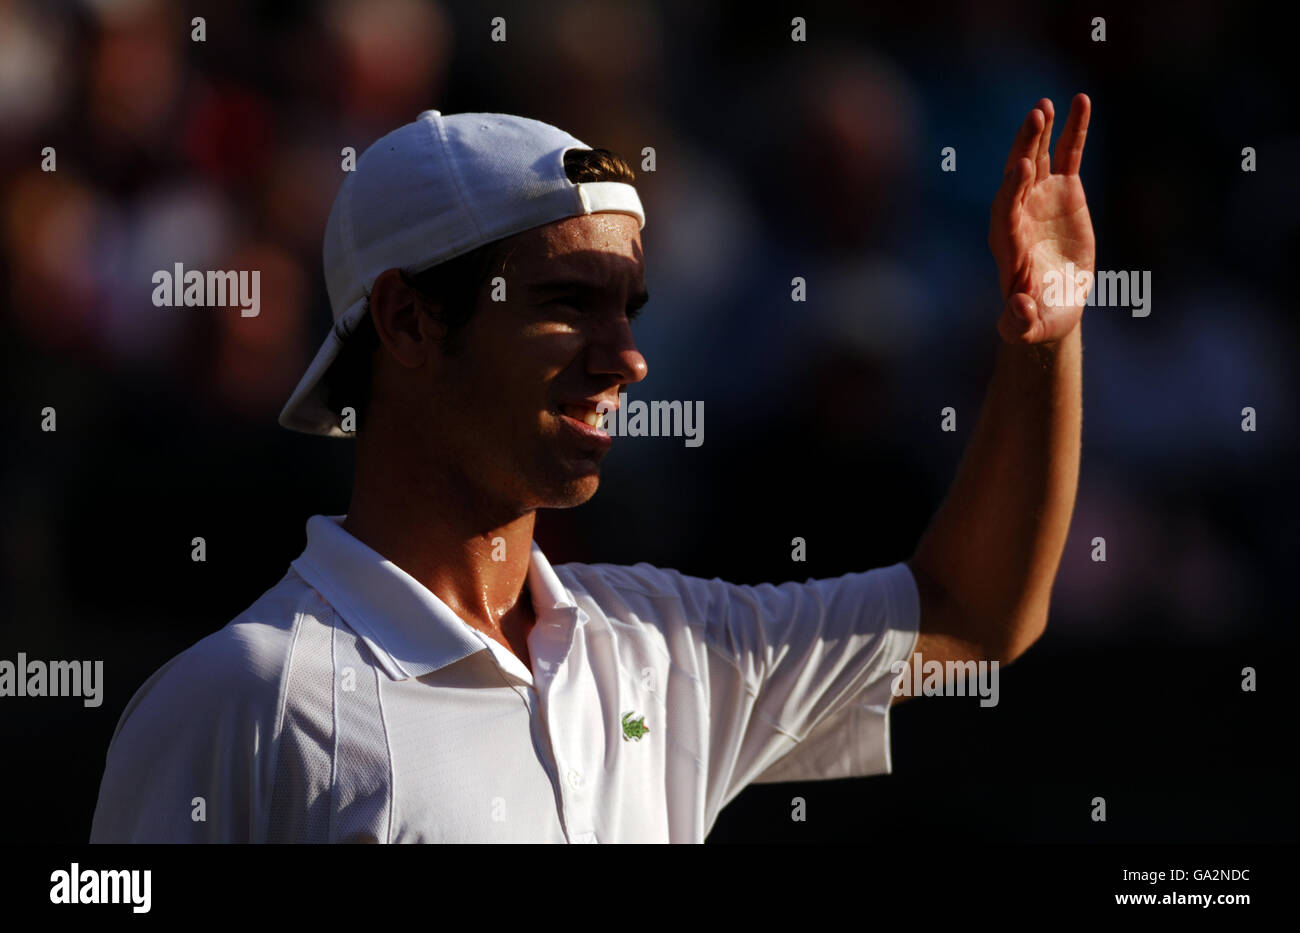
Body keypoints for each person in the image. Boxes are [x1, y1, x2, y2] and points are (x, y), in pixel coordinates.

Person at [90, 98, 1093, 842]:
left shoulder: (661, 648)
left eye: (632, 311)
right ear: (404, 319)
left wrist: (1043, 342)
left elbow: (975, 613)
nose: (627, 357)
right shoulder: (239, 700)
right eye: (568, 302)